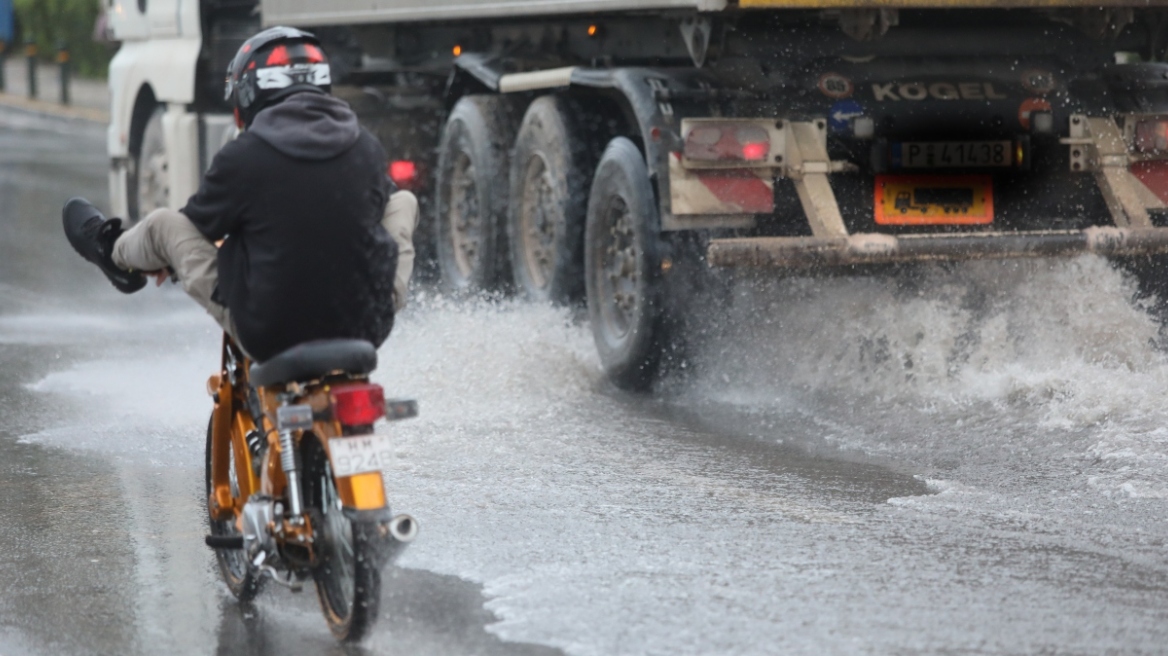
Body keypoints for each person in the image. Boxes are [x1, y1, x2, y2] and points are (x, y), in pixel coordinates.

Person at [63, 26, 417, 362]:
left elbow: (196, 228)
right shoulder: (365, 148)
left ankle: (114, 254)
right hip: (368, 326)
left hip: (270, 333)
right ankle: (379, 299)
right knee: (402, 201)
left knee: (164, 225)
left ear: (249, 95)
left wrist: (160, 257)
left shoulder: (244, 156)